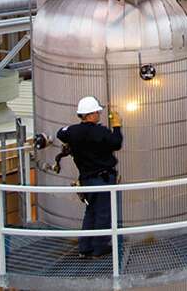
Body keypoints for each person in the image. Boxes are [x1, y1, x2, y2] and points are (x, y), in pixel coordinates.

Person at [56, 96, 123, 258]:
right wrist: (117, 126)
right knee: (103, 214)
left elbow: (61, 133)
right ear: (91, 114)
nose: (99, 115)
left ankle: (84, 248)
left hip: (86, 179)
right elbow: (116, 143)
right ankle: (99, 249)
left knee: (90, 212)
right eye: (97, 112)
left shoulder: (72, 132)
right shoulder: (101, 132)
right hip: (103, 178)